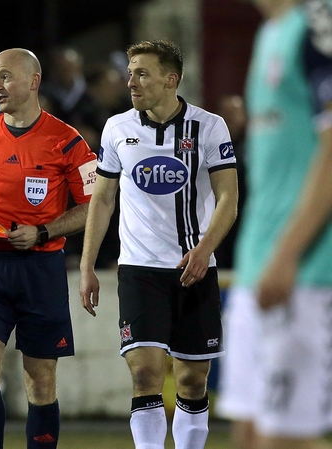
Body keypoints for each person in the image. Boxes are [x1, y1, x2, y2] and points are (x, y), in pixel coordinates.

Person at [78, 39, 238, 449]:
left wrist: (204, 250)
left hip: (194, 267)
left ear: (172, 79)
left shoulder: (209, 126)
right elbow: (102, 199)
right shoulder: (118, 128)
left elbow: (228, 199)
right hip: (139, 269)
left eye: (142, 73)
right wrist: (87, 265)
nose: (131, 81)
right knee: (145, 374)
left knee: (191, 379)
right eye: (130, 72)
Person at [0, 48, 98, 449]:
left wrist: (44, 231)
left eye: (7, 77)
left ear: (34, 81)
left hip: (41, 269)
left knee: (40, 379)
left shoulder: (67, 141)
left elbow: (92, 206)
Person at [215, 1, 332, 449]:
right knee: (248, 432)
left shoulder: (317, 25)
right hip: (257, 266)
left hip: (304, 268)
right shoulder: (268, 33)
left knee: (283, 438)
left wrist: (287, 253)